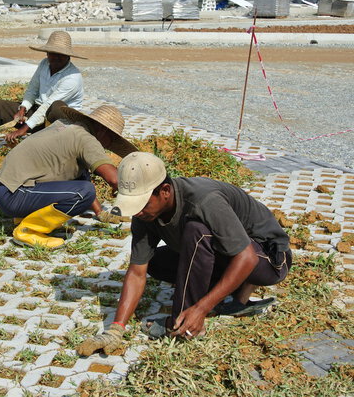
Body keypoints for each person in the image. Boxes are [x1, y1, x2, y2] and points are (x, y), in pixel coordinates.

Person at [77, 152, 292, 356]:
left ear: (165, 191)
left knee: (196, 231)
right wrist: (116, 329)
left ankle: (183, 324)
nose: (137, 211)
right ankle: (233, 294)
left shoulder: (203, 201)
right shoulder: (143, 214)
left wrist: (201, 308)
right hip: (228, 254)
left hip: (268, 258)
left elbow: (247, 257)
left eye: (141, 204)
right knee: (155, 262)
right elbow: (137, 272)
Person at [0, 105, 137, 248]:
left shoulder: (65, 126)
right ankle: (29, 230)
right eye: (111, 140)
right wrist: (144, 199)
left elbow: (80, 176)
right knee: (84, 192)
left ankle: (23, 216)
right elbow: (115, 180)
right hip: (14, 195)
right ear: (103, 131)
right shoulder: (86, 139)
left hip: (3, 188)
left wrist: (101, 213)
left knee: (82, 178)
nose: (107, 146)